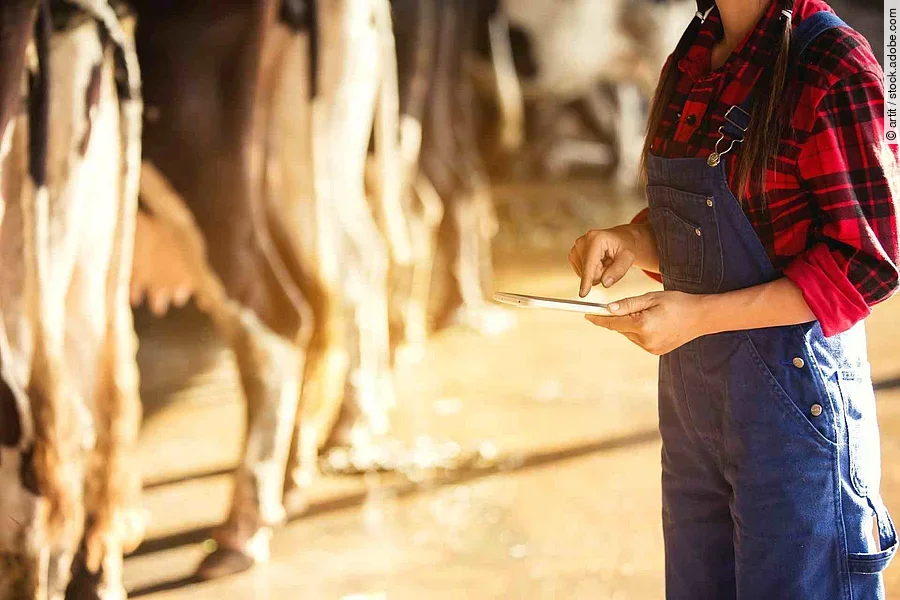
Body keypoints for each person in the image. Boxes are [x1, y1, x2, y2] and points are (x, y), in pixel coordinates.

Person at [569, 0, 900, 598]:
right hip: (695, 407)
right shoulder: (693, 57)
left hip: (796, 412)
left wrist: (699, 316)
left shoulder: (833, 65)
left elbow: (867, 264)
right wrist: (632, 238)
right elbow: (713, 223)